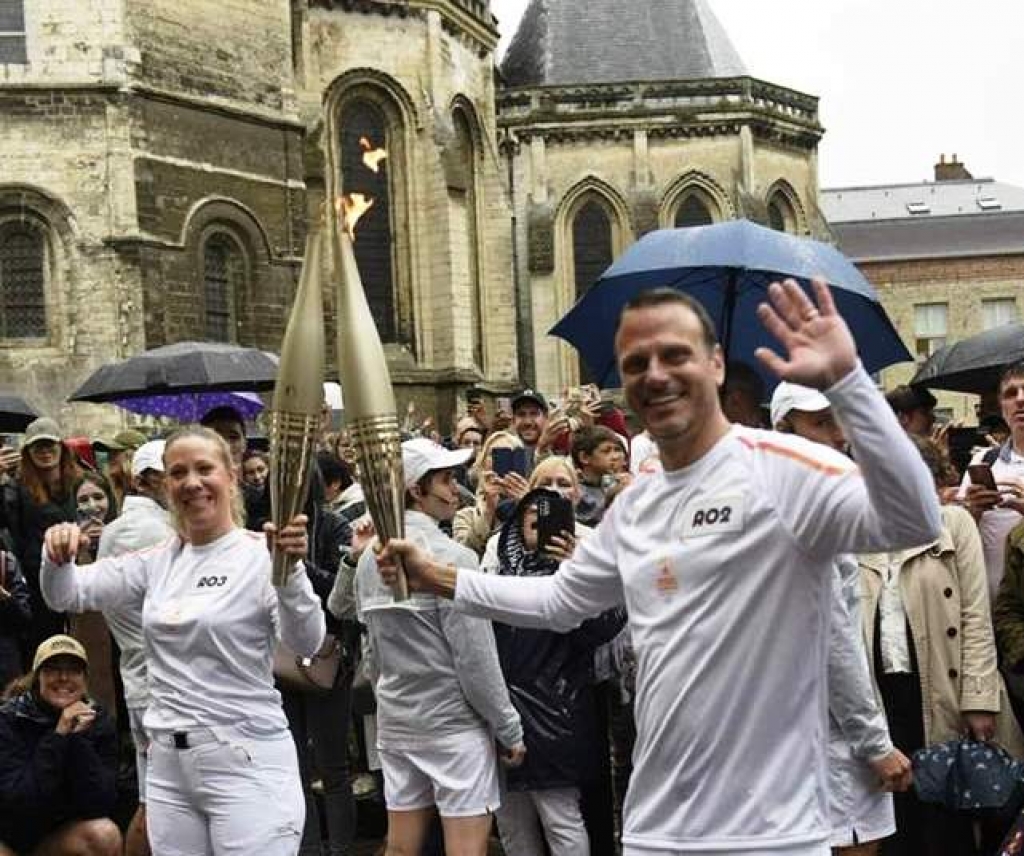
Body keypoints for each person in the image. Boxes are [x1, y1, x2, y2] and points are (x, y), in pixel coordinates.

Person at [377, 279, 942, 856]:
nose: (655, 374)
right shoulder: (639, 503)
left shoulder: (788, 471)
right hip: (656, 830)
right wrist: (436, 578)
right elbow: (558, 602)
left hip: (776, 834)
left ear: (717, 364)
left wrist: (849, 383)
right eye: (636, 362)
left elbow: (916, 519)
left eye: (675, 355)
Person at [39, 426, 325, 856]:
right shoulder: (159, 560)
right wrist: (55, 556)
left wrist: (291, 574)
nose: (192, 483)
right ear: (164, 484)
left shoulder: (259, 555)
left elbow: (306, 641)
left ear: (230, 476)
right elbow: (67, 593)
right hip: (169, 768)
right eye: (178, 473)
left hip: (245, 761)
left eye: (204, 469)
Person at [355, 437, 525, 856]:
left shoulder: (367, 560)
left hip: (398, 723)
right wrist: (509, 729)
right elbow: (476, 660)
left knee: (400, 849)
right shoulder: (453, 559)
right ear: (416, 489)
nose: (455, 489)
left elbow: (372, 653)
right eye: (447, 480)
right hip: (452, 729)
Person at [861, 435, 1023, 856]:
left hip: (941, 688)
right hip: (877, 693)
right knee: (891, 819)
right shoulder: (854, 533)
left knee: (946, 817)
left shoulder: (952, 522)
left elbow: (975, 614)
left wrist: (979, 697)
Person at [771, 382, 905, 855]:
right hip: (827, 735)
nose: (838, 434)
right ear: (785, 430)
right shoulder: (809, 511)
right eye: (821, 422)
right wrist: (874, 742)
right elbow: (833, 638)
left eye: (839, 420)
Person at [94, 439, 174, 856]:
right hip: (161, 682)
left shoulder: (112, 532)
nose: (182, 483)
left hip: (139, 677)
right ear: (147, 480)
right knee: (163, 802)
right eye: (173, 473)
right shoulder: (158, 531)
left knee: (153, 796)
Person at [0, 634, 121, 856]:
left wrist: (75, 737)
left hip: (59, 836)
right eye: (53, 669)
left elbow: (101, 802)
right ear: (38, 678)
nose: (64, 677)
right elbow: (19, 803)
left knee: (104, 834)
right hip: (11, 836)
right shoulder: (9, 720)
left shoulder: (100, 722)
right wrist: (57, 736)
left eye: (74, 670)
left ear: (85, 680)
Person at [5, 417, 82, 654]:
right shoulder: (16, 487)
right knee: (47, 642)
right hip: (38, 578)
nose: (45, 452)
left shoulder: (79, 480)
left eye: (50, 445)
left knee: (84, 636)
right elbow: (7, 524)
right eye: (38, 447)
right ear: (28, 452)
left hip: (79, 571)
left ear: (61, 447)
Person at [958, 362, 1024, 600]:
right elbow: (961, 540)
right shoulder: (983, 461)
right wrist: (972, 511)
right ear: (1001, 406)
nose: (1020, 399)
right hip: (992, 607)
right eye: (1010, 394)